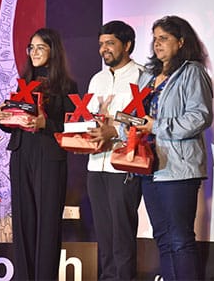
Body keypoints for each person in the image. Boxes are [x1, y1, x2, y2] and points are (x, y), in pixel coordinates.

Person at [0, 28, 78, 280]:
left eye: (40, 47)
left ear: (53, 51)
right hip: (21, 155)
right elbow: (14, 120)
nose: (34, 52)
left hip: (49, 157)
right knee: (23, 222)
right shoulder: (23, 82)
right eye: (31, 48)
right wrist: (2, 118)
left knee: (48, 225)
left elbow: (74, 126)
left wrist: (46, 125)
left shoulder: (67, 85)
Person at [135, 15, 213, 280]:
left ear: (181, 42)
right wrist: (128, 125)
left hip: (178, 168)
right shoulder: (148, 76)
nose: (157, 44)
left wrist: (156, 126)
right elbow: (137, 114)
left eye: (164, 38)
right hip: (148, 167)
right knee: (163, 239)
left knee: (180, 239)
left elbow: (199, 117)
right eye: (155, 38)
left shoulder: (193, 72)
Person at [86, 20, 143, 280]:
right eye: (101, 44)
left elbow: (144, 122)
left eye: (110, 43)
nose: (104, 49)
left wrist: (115, 132)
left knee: (122, 236)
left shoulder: (142, 77)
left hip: (124, 164)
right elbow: (88, 118)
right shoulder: (96, 79)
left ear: (127, 45)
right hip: (95, 164)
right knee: (104, 237)